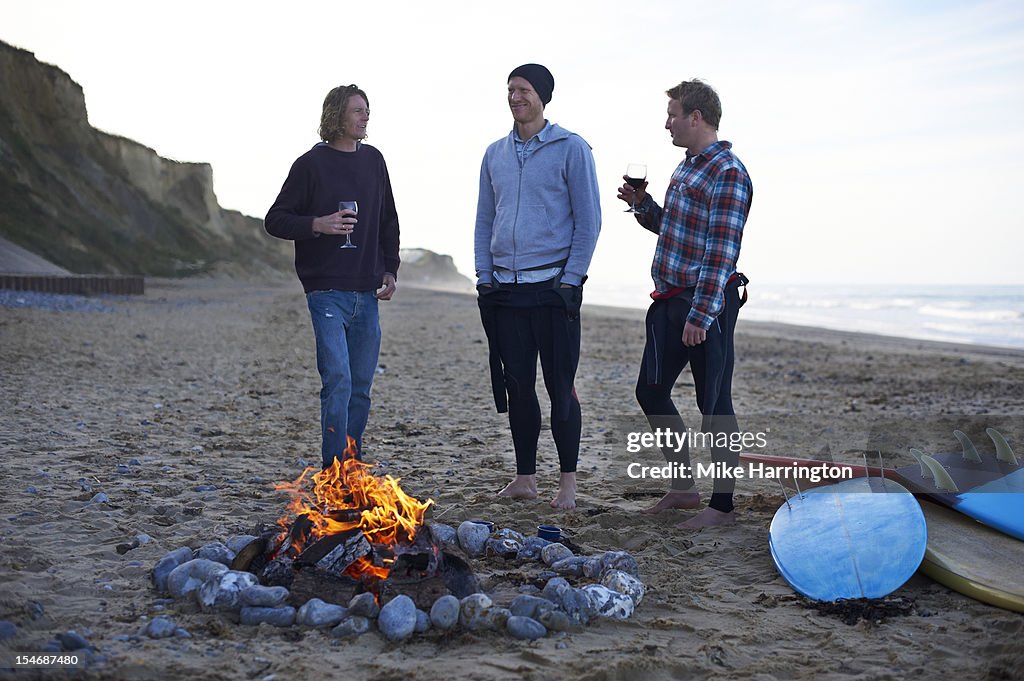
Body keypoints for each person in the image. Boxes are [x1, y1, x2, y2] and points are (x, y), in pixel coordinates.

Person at [617, 79, 753, 529]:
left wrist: (702, 314)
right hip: (670, 298)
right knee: (650, 390)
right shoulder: (686, 167)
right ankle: (682, 489)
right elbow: (675, 231)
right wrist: (643, 205)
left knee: (714, 402)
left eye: (673, 114)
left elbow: (720, 250)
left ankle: (722, 507)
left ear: (696, 117)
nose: (667, 123)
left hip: (704, 303)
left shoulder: (728, 172)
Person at [475, 63, 601, 510]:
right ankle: (525, 477)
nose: (515, 97)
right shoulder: (494, 153)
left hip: (553, 288)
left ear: (542, 96)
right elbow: (485, 219)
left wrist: (572, 280)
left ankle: (567, 483)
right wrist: (483, 275)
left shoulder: (571, 148)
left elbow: (589, 221)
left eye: (524, 90)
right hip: (505, 291)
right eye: (510, 90)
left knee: (560, 386)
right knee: (518, 387)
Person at [265, 84, 400, 470]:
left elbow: (389, 219)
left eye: (367, 110)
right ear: (336, 116)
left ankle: (352, 465)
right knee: (337, 380)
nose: (365, 117)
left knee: (360, 389)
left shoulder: (374, 160)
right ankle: (333, 469)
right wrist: (318, 224)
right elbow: (275, 220)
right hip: (325, 291)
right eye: (358, 110)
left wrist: (390, 267)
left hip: (366, 292)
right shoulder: (311, 164)